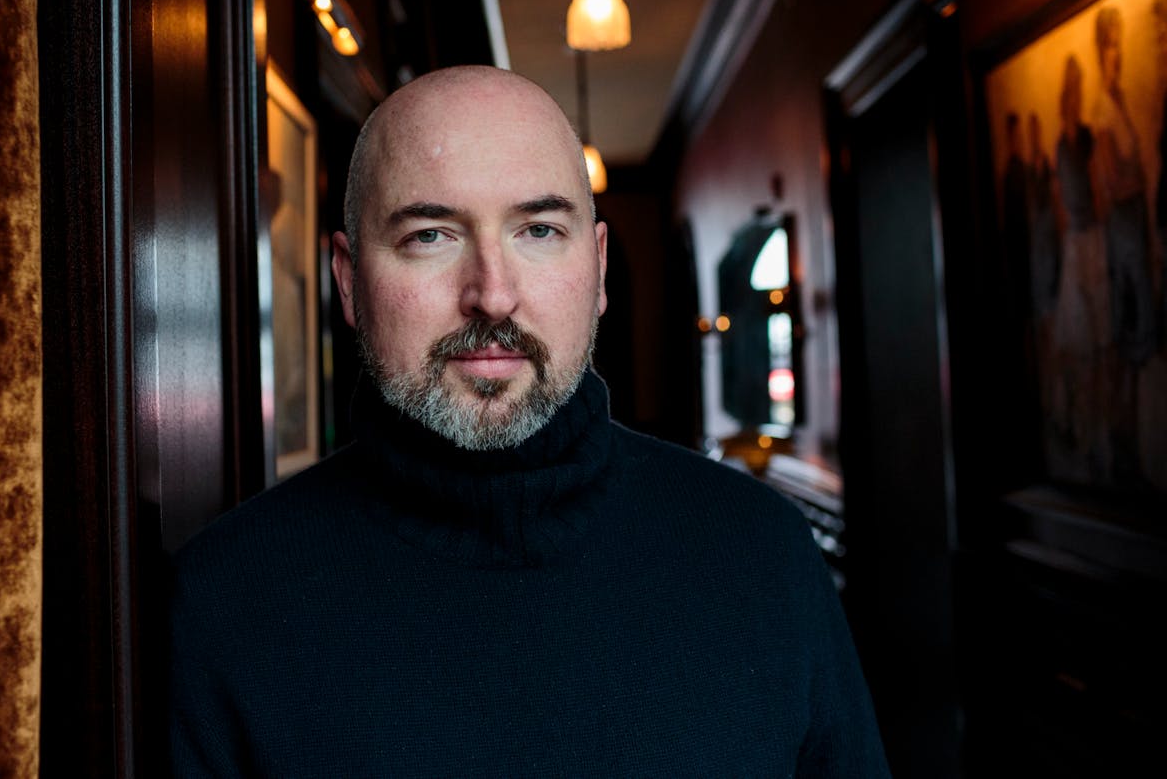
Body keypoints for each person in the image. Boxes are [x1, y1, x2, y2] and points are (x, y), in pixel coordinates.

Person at [169, 66, 890, 776]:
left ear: (600, 268)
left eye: (539, 230)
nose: (493, 294)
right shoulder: (225, 603)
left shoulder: (764, 556)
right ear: (348, 280)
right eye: (430, 235)